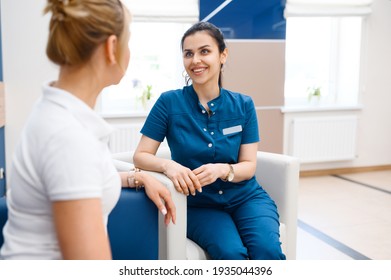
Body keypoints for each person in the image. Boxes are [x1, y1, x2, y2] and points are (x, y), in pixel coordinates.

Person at [0, 0, 175, 260]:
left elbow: (78, 181)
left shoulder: (60, 114)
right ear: (112, 47)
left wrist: (137, 177)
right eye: (128, 41)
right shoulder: (69, 138)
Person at [133, 21, 285, 260]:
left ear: (223, 55)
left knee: (268, 251)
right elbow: (140, 156)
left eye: (205, 51)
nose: (195, 60)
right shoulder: (168, 103)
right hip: (199, 205)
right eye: (188, 53)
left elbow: (248, 166)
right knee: (230, 253)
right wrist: (169, 166)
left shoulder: (244, 105)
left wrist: (223, 170)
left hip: (246, 197)